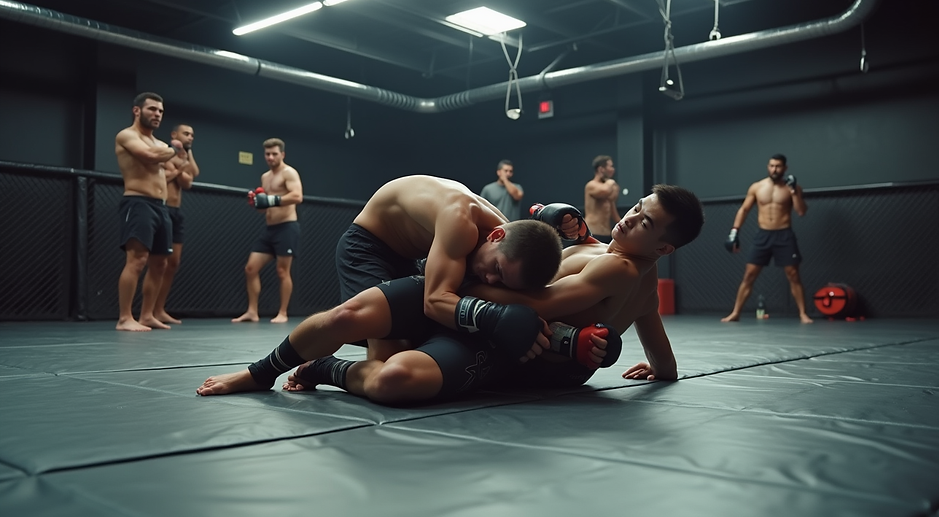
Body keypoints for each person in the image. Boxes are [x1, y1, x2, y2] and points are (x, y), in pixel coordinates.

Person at [282, 184, 705, 405]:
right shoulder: (622, 264)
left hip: (520, 352)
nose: (631, 220)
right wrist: (655, 367)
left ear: (664, 248)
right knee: (387, 353)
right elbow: (665, 364)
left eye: (646, 224)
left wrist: (452, 284)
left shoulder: (619, 266)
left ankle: (325, 367)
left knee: (394, 365)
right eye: (636, 208)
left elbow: (535, 304)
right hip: (527, 354)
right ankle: (326, 359)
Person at [198, 175, 566, 397]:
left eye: (501, 280)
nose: (490, 280)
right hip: (369, 247)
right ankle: (263, 373)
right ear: (496, 236)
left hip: (412, 257)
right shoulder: (462, 221)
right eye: (497, 269)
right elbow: (436, 302)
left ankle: (325, 364)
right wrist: (498, 316)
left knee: (394, 369)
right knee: (357, 326)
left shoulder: (503, 239)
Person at [114, 92, 189, 332]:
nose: (157, 114)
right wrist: (173, 151)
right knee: (137, 261)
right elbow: (147, 157)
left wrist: (172, 153)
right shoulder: (127, 135)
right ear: (137, 111)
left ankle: (146, 315)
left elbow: (184, 170)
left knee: (160, 264)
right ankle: (125, 318)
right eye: (152, 109)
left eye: (160, 111)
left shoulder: (159, 144)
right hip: (138, 202)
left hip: (162, 206)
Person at [721, 154, 813, 324]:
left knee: (793, 275)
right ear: (767, 167)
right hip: (763, 234)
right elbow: (744, 209)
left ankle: (803, 314)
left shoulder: (792, 188)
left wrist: (794, 192)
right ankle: (735, 313)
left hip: (784, 234)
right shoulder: (757, 187)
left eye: (778, 166)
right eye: (771, 165)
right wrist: (734, 232)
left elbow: (801, 211)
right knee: (749, 275)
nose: (774, 169)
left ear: (785, 168)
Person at [232, 138, 303, 324]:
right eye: (267, 154)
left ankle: (283, 313)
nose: (270, 157)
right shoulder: (265, 177)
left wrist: (270, 200)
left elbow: (297, 196)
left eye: (274, 154)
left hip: (287, 227)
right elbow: (265, 207)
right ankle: (252, 312)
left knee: (282, 271)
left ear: (282, 154)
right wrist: (258, 202)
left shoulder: (289, 173)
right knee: (250, 268)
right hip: (269, 229)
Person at [152, 123, 200, 324]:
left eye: (192, 134)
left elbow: (191, 177)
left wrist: (185, 157)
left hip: (177, 212)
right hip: (161, 208)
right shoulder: (164, 151)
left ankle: (159, 309)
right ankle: (148, 311)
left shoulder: (182, 157)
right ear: (174, 135)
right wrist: (179, 167)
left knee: (173, 263)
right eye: (186, 133)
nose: (190, 137)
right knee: (157, 264)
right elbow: (167, 176)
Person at [584, 155, 622, 243]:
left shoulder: (608, 188)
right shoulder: (591, 185)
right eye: (610, 166)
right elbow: (605, 190)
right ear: (601, 169)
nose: (613, 169)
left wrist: (622, 223)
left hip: (606, 234)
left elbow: (613, 211)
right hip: (593, 233)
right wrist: (611, 182)